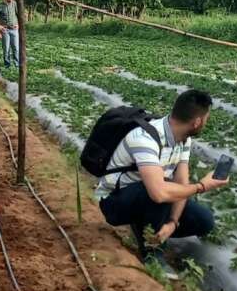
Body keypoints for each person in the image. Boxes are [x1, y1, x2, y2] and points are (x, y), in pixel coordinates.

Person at [96, 90, 227, 269]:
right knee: (160, 191)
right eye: (206, 118)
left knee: (204, 221)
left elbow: (181, 182)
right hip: (115, 203)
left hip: (147, 195)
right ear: (197, 122)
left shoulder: (183, 140)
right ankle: (152, 253)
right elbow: (159, 194)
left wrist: (173, 222)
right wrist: (202, 186)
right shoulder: (145, 138)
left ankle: (146, 226)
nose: (206, 122)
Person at [0, 0, 20, 68]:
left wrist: (18, 24)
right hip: (5, 30)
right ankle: (7, 65)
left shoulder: (14, 4)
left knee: (16, 48)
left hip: (14, 29)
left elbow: (18, 14)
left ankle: (17, 64)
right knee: (6, 49)